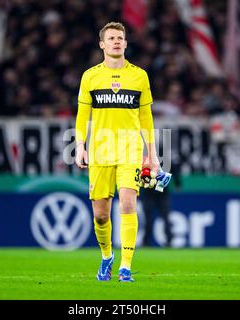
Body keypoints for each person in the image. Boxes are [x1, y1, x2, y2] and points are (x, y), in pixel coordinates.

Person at [75, 22, 159, 282]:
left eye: (120, 38)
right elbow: (82, 116)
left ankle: (125, 266)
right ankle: (107, 256)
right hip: (100, 151)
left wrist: (152, 154)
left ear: (125, 43)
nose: (116, 41)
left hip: (130, 151)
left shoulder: (139, 76)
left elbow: (146, 118)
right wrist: (80, 146)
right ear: (102, 44)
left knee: (127, 203)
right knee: (100, 215)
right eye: (111, 38)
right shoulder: (90, 76)